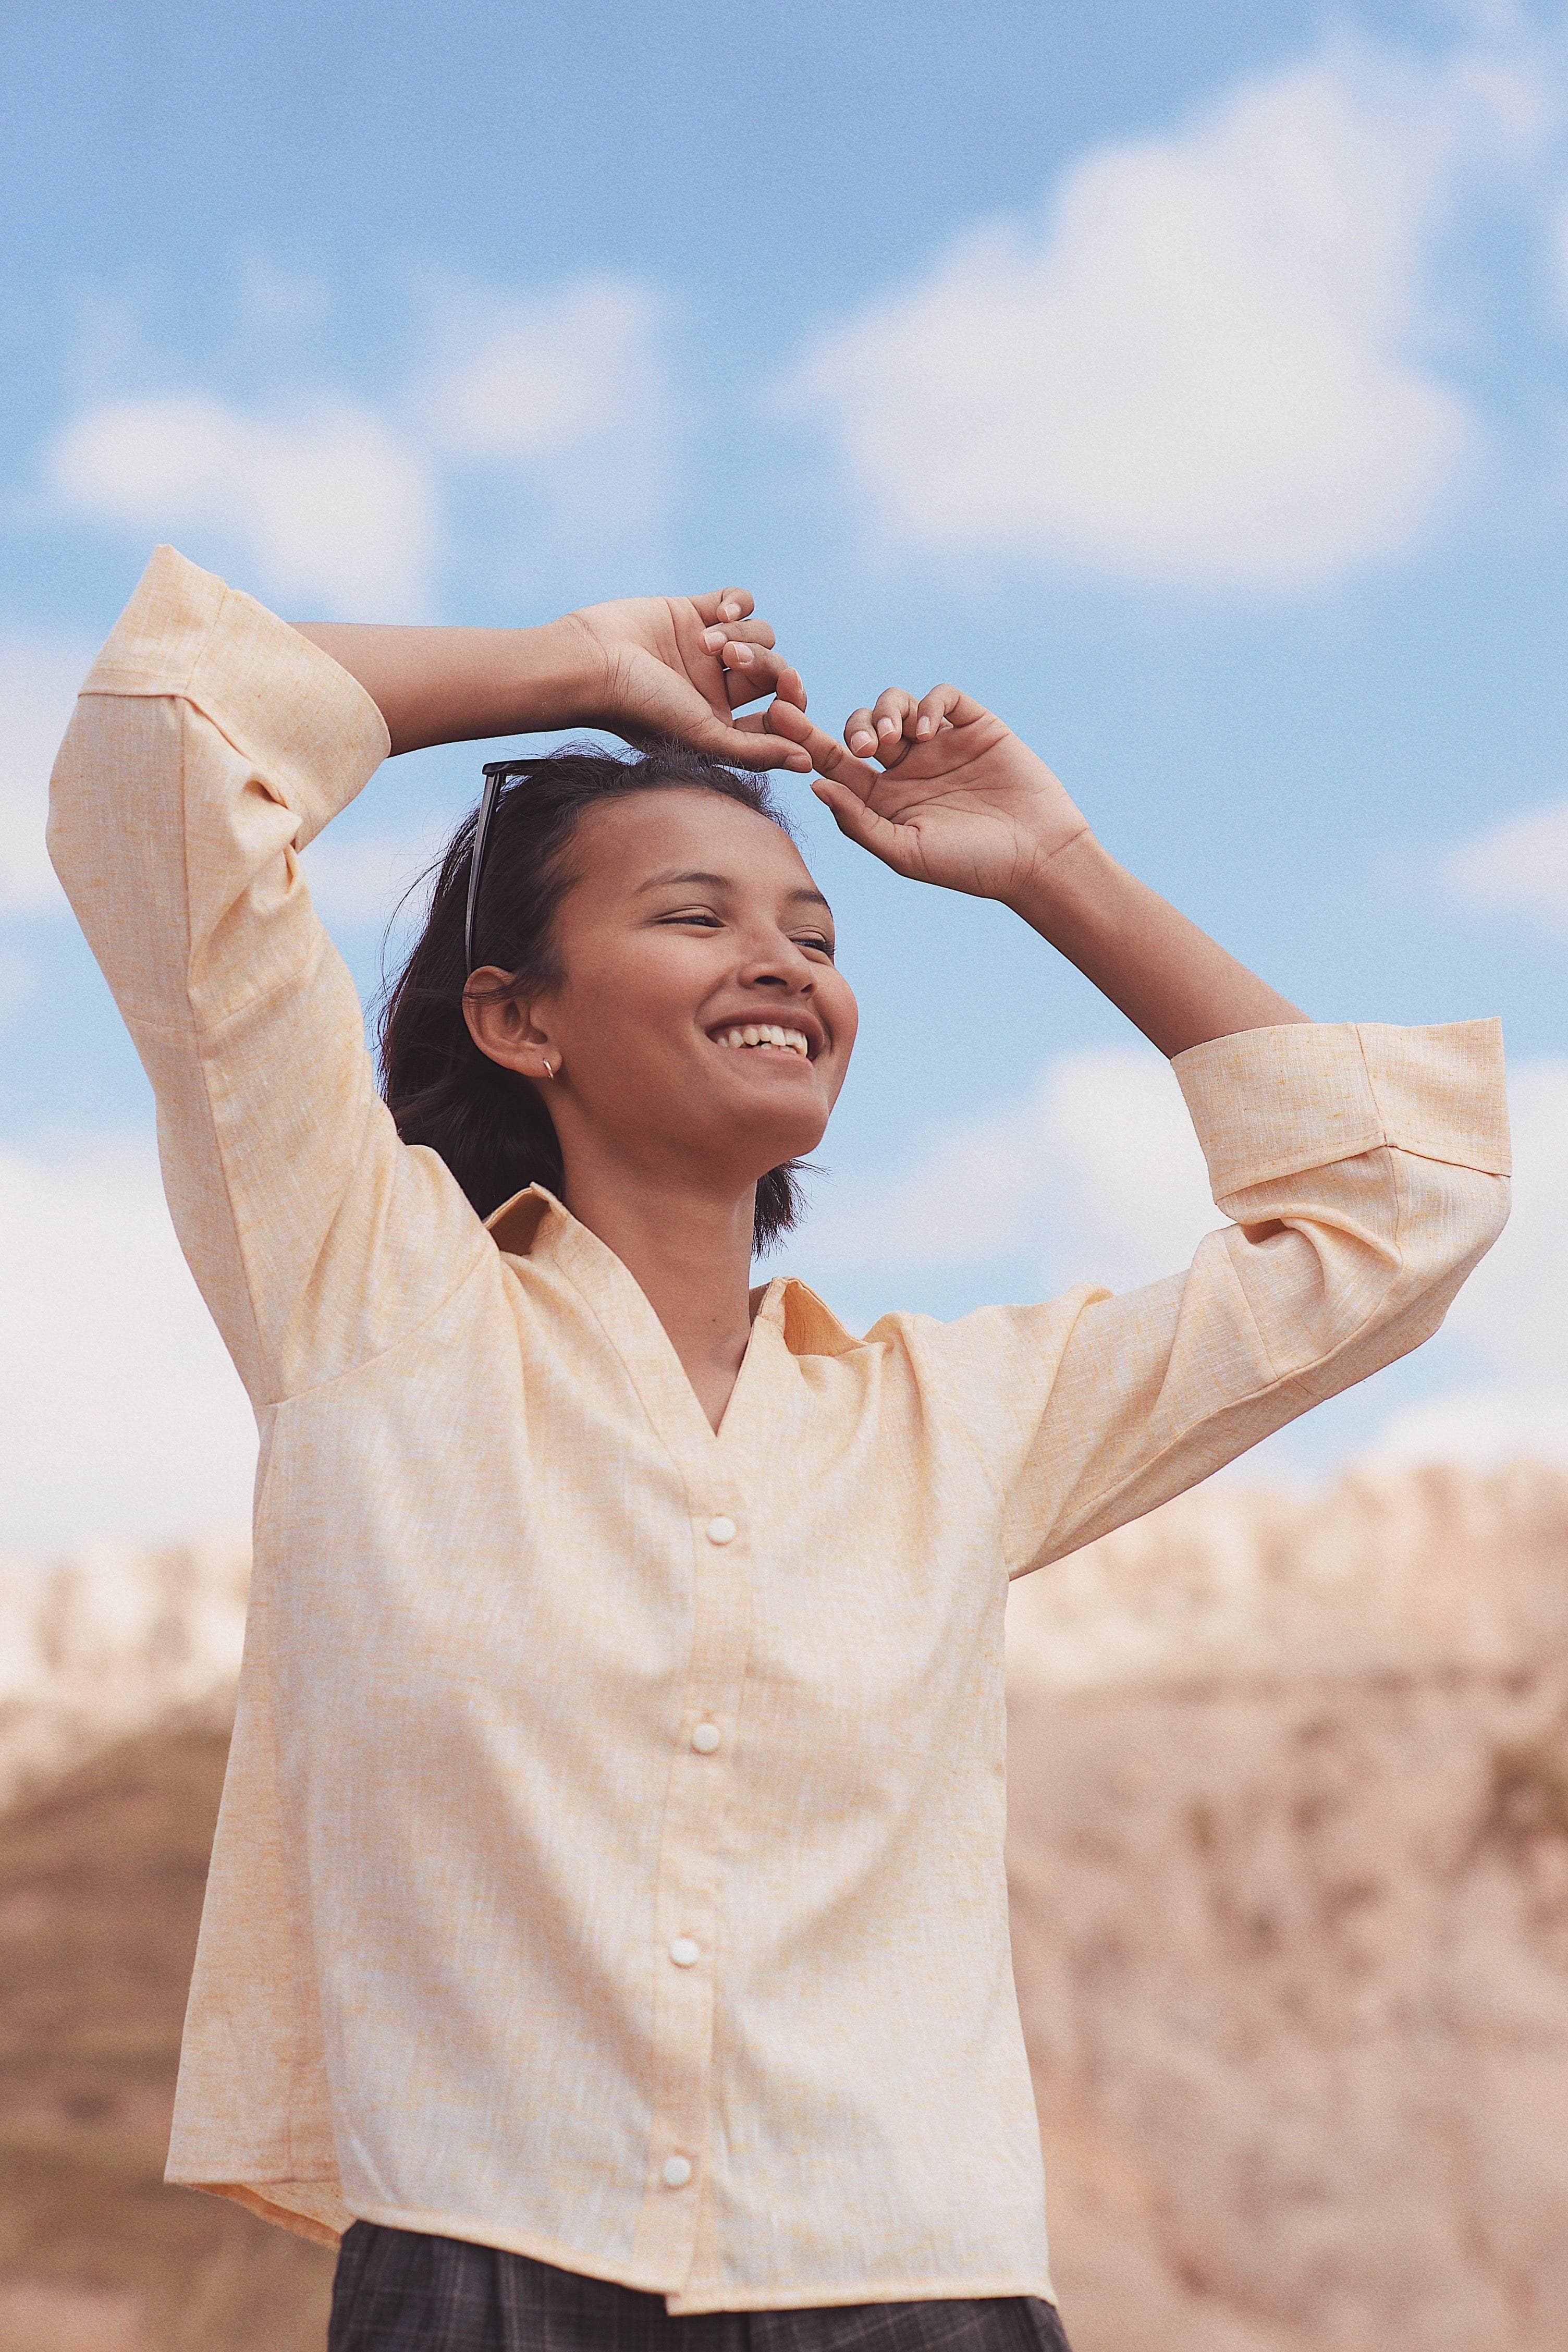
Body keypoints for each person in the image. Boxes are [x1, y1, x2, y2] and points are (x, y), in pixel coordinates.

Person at [48, 547, 1509, 2352]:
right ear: (517, 1018)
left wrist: (1052, 869)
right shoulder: (367, 1299)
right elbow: (166, 744)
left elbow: (1401, 1210)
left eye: (815, 937)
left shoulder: (957, 1422)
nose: (781, 964)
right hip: (487, 2272)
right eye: (694, 918)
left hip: (921, 2294)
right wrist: (574, 667)